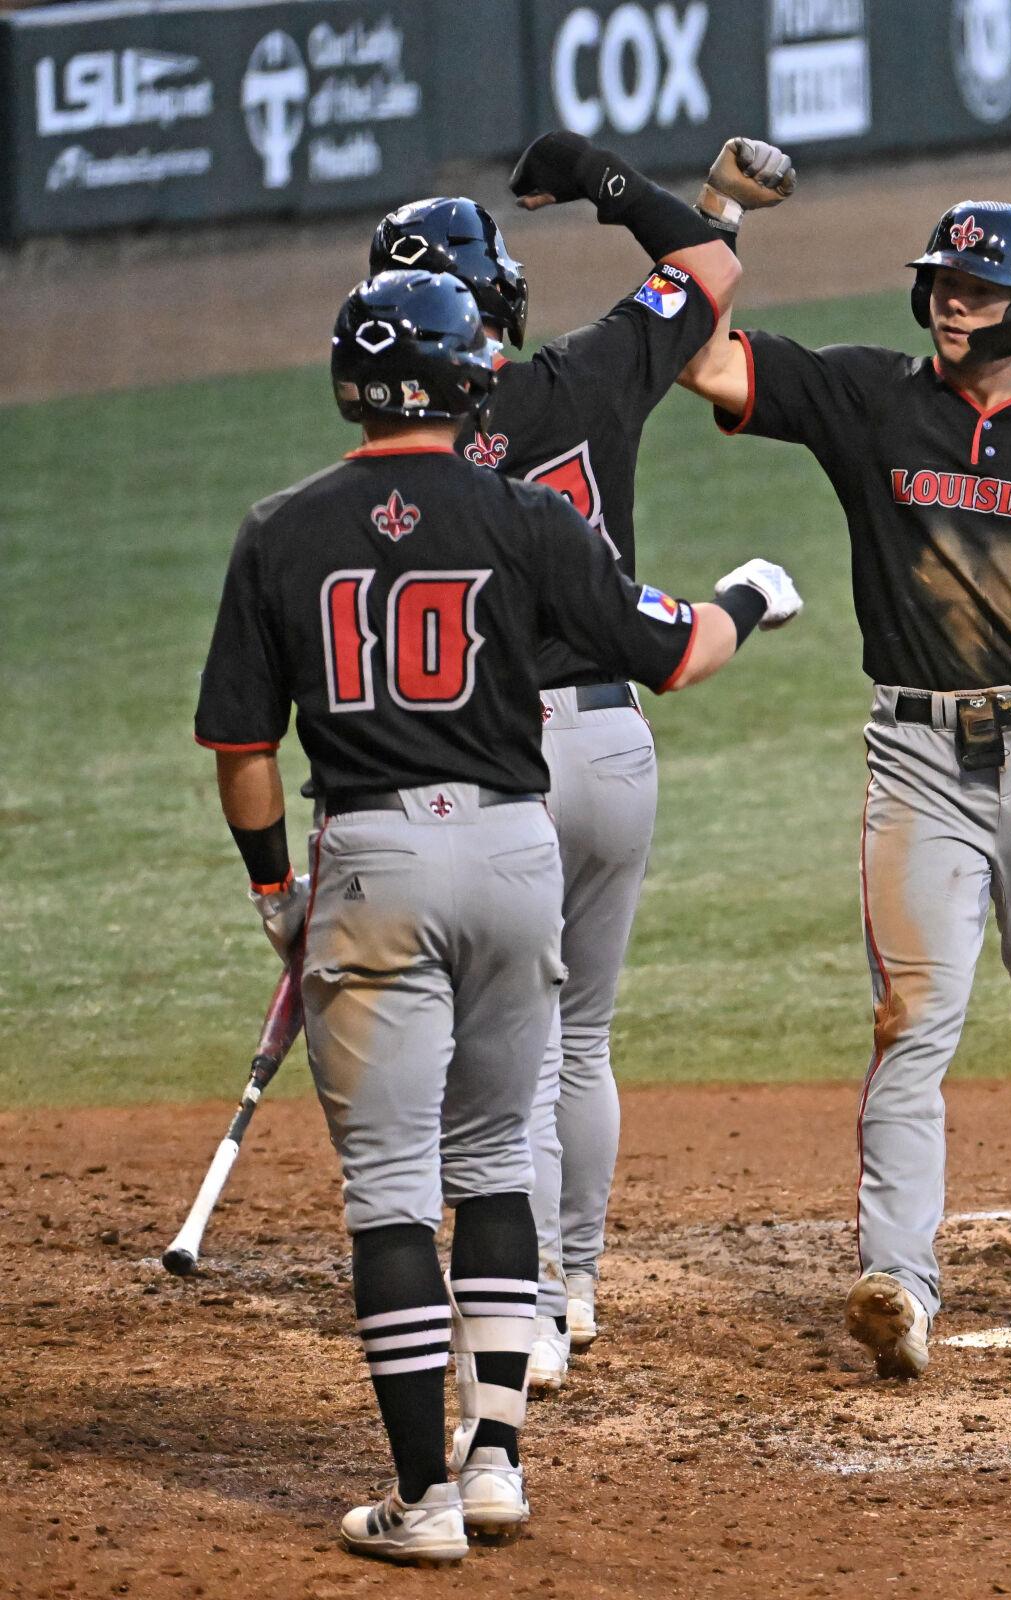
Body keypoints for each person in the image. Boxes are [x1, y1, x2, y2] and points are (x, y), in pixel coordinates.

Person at [193, 269, 801, 1562]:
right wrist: (748, 593)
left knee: (393, 1192)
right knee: (490, 1163)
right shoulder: (527, 517)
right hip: (516, 856)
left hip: (372, 863)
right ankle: (493, 1467)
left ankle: (418, 1504)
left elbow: (242, 745)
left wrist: (271, 893)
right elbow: (676, 652)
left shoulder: (279, 529)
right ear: (465, 372)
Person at [679, 198, 1011, 1378]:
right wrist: (700, 219)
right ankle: (897, 1278)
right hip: (914, 760)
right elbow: (700, 358)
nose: (947, 300)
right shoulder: (869, 395)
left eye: (972, 289)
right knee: (908, 1023)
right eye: (938, 281)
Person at [366, 131, 795, 1389]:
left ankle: (532, 1305)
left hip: (481, 771)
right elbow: (704, 269)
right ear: (497, 297)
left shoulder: (400, 470)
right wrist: (615, 184)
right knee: (583, 1040)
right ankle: (583, 1285)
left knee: (507, 1053)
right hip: (610, 740)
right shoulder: (591, 373)